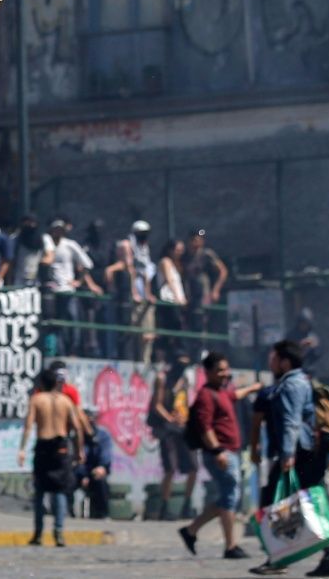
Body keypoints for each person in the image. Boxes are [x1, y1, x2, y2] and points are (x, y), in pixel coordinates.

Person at [250, 340, 329, 577]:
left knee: (271, 503)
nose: (271, 362)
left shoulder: (291, 385)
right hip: (306, 451)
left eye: (274, 358)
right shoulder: (298, 382)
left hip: (298, 452)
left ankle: (277, 559)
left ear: (285, 362)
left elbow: (291, 422)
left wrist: (287, 455)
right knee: (313, 501)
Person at [177, 352, 261, 560]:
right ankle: (230, 546)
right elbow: (205, 427)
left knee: (228, 497)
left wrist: (253, 388)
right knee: (230, 497)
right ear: (208, 373)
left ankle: (191, 531)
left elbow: (235, 395)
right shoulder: (206, 395)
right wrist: (217, 451)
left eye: (226, 369)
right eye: (220, 370)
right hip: (221, 453)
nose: (225, 374)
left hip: (231, 452)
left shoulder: (221, 391)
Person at [19, 369, 80, 547]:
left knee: (40, 490)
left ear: (42, 384)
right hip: (61, 447)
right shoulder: (66, 401)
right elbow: (77, 428)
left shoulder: (37, 400)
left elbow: (28, 426)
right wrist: (79, 450)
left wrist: (22, 449)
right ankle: (58, 532)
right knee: (59, 490)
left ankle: (38, 533)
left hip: (43, 446)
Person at [149, 353, 198, 520]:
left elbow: (185, 403)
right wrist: (170, 418)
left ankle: (187, 504)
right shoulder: (162, 378)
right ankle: (165, 506)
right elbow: (157, 405)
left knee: (193, 466)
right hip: (167, 428)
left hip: (182, 427)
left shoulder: (184, 380)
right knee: (170, 468)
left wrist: (185, 419)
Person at [44, 217, 99, 357]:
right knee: (54, 324)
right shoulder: (46, 243)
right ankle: (58, 352)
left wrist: (78, 281)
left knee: (72, 321)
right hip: (51, 291)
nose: (57, 233)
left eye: (59, 230)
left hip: (67, 291)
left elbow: (87, 264)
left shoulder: (70, 245)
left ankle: (73, 351)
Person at [182, 229, 228, 346]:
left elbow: (223, 271)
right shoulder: (185, 256)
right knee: (188, 324)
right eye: (193, 240)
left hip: (203, 294)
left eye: (199, 240)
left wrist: (216, 290)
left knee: (202, 322)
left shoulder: (206, 254)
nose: (196, 243)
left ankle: (203, 351)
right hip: (188, 295)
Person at [122, 220, 157, 362]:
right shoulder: (128, 245)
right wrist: (134, 292)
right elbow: (131, 269)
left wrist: (148, 293)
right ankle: (132, 360)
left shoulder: (144, 248)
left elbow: (145, 273)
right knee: (134, 331)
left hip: (143, 294)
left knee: (148, 333)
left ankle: (145, 361)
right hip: (132, 294)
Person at [76, 409, 113, 520]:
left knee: (100, 481)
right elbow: (75, 458)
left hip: (94, 471)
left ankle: (102, 513)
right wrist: (83, 475)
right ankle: (66, 513)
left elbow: (105, 457)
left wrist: (100, 468)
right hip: (79, 472)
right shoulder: (77, 435)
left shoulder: (103, 435)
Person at [155, 239, 188, 360]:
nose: (180, 253)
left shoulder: (176, 265)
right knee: (172, 328)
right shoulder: (165, 262)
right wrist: (177, 298)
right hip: (169, 300)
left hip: (176, 300)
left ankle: (175, 355)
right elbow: (169, 280)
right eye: (177, 250)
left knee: (176, 328)